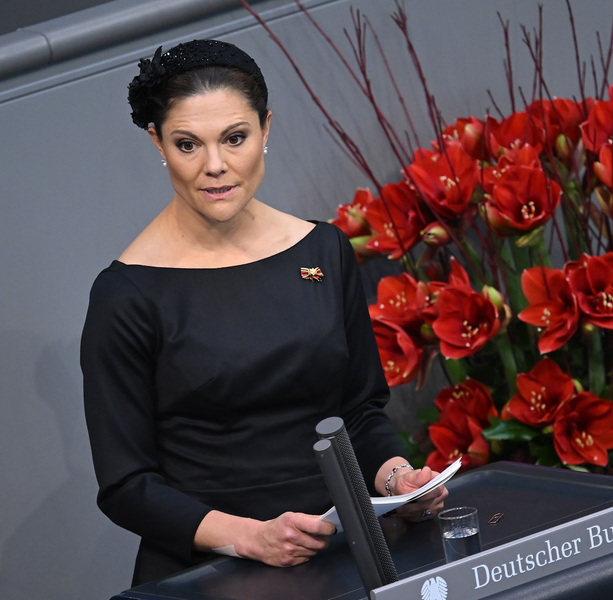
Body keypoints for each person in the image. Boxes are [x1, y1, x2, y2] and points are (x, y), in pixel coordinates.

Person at [80, 39, 447, 586]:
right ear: (157, 141)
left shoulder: (324, 250)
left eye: (235, 138)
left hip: (342, 556)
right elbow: (127, 485)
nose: (215, 166)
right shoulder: (126, 294)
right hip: (212, 576)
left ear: (266, 128)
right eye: (187, 144)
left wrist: (397, 481)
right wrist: (250, 537)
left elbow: (361, 412)